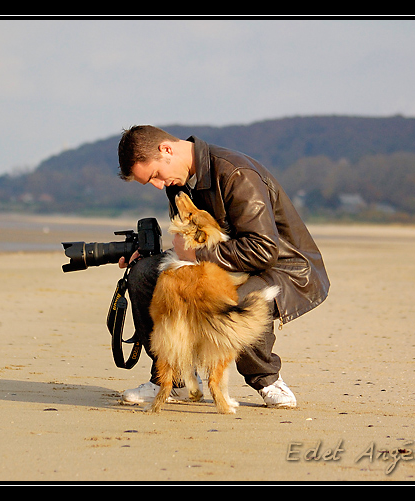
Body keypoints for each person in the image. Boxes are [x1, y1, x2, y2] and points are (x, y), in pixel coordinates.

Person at [115, 125, 330, 408]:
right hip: (226, 261)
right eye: (150, 182)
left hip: (280, 268)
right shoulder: (178, 182)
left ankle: (267, 379)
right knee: (144, 274)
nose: (158, 185)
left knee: (225, 298)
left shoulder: (236, 174)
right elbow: (206, 239)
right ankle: (175, 380)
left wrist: (196, 256)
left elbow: (262, 249)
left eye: (155, 175)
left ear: (166, 150)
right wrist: (153, 256)